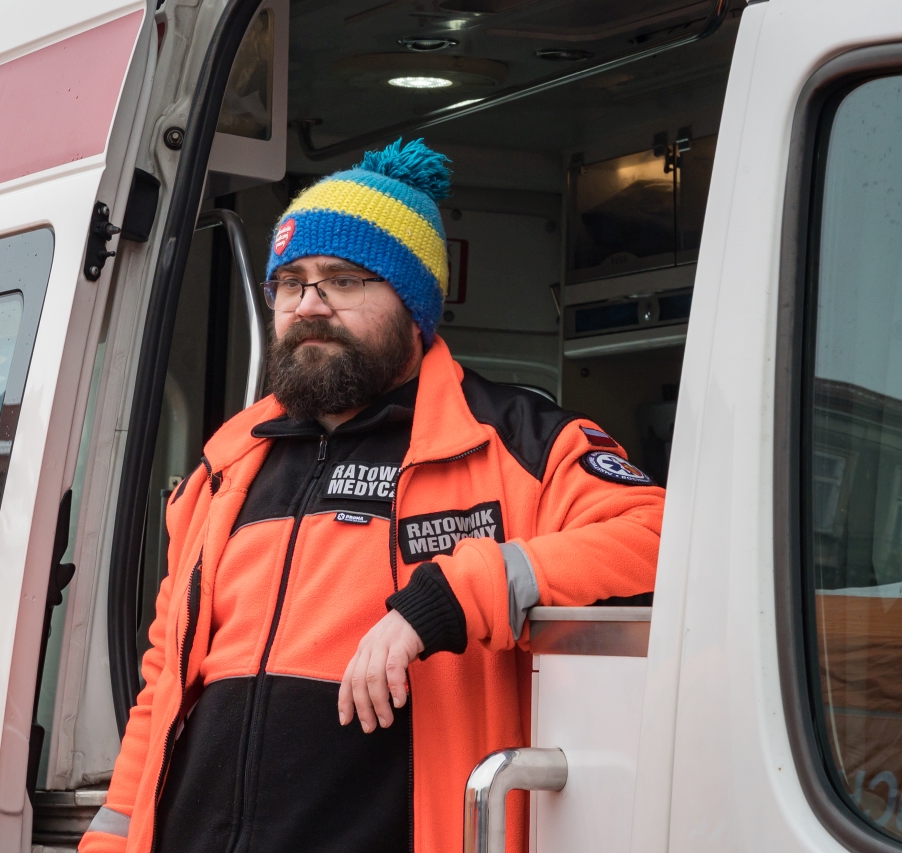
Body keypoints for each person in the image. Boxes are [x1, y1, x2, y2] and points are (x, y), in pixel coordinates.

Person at [79, 139, 664, 853]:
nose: (309, 305)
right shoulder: (227, 463)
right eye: (290, 283)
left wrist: (454, 595)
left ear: (414, 306)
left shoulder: (516, 440)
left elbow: (660, 538)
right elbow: (164, 682)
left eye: (343, 281)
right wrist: (110, 839)